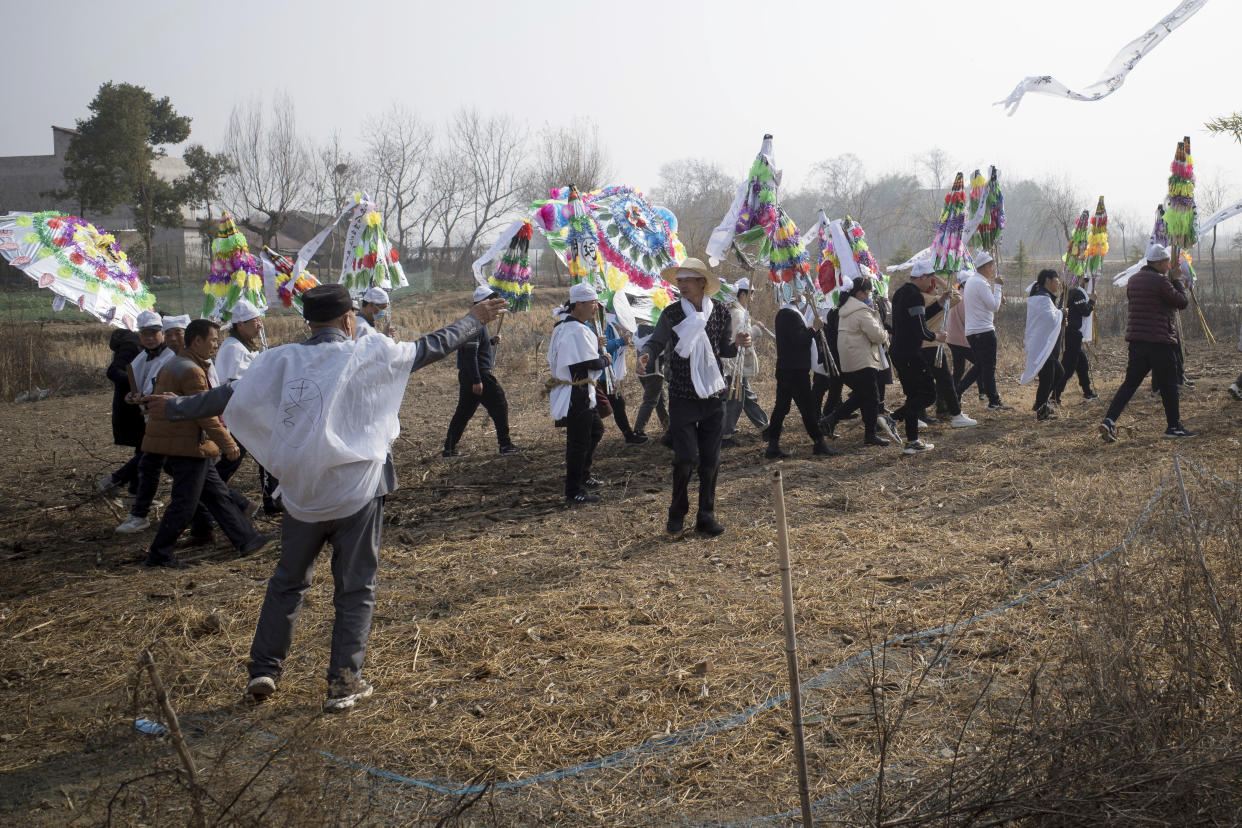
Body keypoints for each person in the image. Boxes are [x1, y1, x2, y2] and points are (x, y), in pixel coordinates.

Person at [144, 283, 506, 711]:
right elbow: (433, 346)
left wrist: (176, 408)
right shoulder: (368, 353)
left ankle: (264, 669)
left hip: (304, 491)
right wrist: (475, 319)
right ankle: (343, 684)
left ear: (308, 322)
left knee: (287, 582)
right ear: (350, 319)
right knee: (355, 589)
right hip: (359, 489)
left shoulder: (280, 360)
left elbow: (229, 394)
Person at [137, 319, 274, 568]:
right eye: (212, 340)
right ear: (197, 341)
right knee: (184, 504)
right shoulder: (190, 369)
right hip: (187, 444)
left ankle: (248, 539)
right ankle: (158, 555)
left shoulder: (181, 363)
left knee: (218, 496)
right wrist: (228, 443)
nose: (215, 345)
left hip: (183, 441)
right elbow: (203, 412)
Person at [639, 258, 746, 537]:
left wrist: (738, 344)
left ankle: (706, 516)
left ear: (702, 283)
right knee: (685, 458)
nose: (682, 285)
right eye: (679, 280)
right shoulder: (672, 314)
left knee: (711, 460)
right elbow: (655, 341)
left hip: (713, 394)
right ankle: (677, 511)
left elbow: (725, 351)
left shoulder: (721, 313)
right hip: (683, 395)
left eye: (687, 280)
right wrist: (646, 354)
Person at [184, 299, 272, 548]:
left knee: (223, 470)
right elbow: (235, 382)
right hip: (237, 415)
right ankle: (217, 507)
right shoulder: (232, 349)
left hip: (246, 414)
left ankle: (221, 508)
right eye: (255, 321)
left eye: (259, 320)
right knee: (222, 468)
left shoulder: (242, 345)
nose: (259, 325)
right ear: (240, 324)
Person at [1099, 244, 1194, 442]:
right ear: (1159, 262)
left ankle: (1109, 420)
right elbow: (1181, 302)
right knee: (1169, 385)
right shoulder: (1160, 282)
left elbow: (1151, 303)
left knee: (1130, 384)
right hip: (1160, 341)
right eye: (1167, 263)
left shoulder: (1133, 281)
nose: (1169, 266)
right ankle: (1174, 427)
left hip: (1137, 341)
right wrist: (1176, 281)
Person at [114, 310, 176, 533]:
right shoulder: (141, 359)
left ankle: (137, 511)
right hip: (154, 420)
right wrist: (132, 397)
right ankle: (237, 505)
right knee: (184, 473)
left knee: (149, 464)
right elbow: (138, 387)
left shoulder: (172, 356)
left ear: (162, 333)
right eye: (145, 334)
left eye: (154, 333)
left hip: (170, 421)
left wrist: (143, 397)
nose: (150, 338)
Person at [547, 283, 609, 504]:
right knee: (578, 443)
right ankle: (574, 491)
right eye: (592, 303)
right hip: (577, 392)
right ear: (579, 304)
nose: (595, 307)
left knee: (595, 430)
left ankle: (584, 475)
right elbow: (588, 362)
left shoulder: (571, 325)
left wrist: (595, 343)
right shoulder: (573, 329)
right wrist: (605, 360)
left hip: (580, 390)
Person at [443, 286, 523, 457]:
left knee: (463, 412)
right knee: (500, 405)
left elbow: (475, 348)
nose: (493, 305)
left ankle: (449, 449)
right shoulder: (474, 325)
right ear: (480, 304)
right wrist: (477, 380)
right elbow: (470, 354)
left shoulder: (475, 323)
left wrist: (492, 341)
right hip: (478, 374)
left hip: (471, 374)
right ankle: (505, 445)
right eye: (490, 301)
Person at [889, 260, 949, 454]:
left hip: (900, 351)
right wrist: (936, 337)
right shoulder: (915, 296)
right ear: (922, 277)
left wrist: (939, 304)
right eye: (930, 279)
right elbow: (921, 329)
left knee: (913, 396)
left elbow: (918, 319)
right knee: (928, 394)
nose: (931, 284)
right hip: (910, 353)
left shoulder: (901, 293)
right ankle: (893, 418)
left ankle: (912, 441)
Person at [765, 299, 835, 460]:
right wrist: (815, 329)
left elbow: (794, 338)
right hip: (795, 370)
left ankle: (773, 445)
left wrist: (810, 329)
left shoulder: (784, 314)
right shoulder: (790, 314)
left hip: (786, 368)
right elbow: (799, 340)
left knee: (782, 407)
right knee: (806, 408)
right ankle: (819, 442)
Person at [824, 277, 891, 447]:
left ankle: (831, 419)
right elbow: (876, 335)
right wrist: (885, 334)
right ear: (860, 293)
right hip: (863, 359)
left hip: (850, 360)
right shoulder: (861, 311)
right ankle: (870, 435)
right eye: (868, 291)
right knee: (872, 397)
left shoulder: (846, 309)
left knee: (863, 395)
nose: (869, 294)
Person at [919, 274, 976, 428]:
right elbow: (957, 297)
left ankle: (923, 414)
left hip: (924, 346)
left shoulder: (920, 298)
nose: (937, 291)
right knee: (945, 380)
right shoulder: (930, 300)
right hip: (931, 345)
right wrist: (942, 281)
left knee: (927, 381)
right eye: (935, 288)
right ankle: (955, 413)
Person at [957, 251, 1010, 410]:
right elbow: (994, 307)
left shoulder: (972, 281)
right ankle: (993, 401)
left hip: (973, 331)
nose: (993, 269)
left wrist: (997, 294)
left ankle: (957, 391)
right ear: (985, 267)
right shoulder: (981, 283)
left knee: (981, 366)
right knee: (988, 367)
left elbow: (988, 303)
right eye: (991, 266)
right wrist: (998, 286)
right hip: (984, 331)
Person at [721, 278, 768, 447]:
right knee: (735, 400)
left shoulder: (738, 311)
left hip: (735, 363)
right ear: (742, 294)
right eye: (751, 295)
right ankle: (724, 435)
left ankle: (764, 425)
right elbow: (740, 339)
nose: (753, 298)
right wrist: (756, 330)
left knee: (745, 397)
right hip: (735, 364)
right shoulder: (739, 314)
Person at [98, 327, 145, 498]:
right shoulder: (132, 346)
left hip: (140, 405)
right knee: (150, 451)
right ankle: (114, 481)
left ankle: (135, 494)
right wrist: (136, 383)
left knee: (146, 449)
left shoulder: (149, 348)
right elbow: (113, 371)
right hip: (132, 407)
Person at [1020, 270, 1068, 421]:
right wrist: (1062, 314)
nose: (1058, 283)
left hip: (1045, 346)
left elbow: (1050, 319)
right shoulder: (1042, 297)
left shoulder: (1044, 296)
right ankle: (1041, 410)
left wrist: (1060, 317)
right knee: (1047, 378)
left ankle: (1041, 404)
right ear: (1048, 280)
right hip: (1041, 346)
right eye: (1056, 280)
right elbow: (1049, 319)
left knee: (1058, 374)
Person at [601, 312, 648, 446]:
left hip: (608, 373)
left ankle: (628, 436)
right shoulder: (594, 325)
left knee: (617, 404)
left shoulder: (607, 324)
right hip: (601, 375)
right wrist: (621, 341)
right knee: (615, 404)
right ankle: (628, 436)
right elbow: (603, 347)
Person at [1052, 278, 1098, 404]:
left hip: (1069, 333)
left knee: (1082, 364)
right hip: (1072, 334)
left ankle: (1087, 392)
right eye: (1085, 281)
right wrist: (1092, 301)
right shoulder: (1076, 293)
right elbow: (1086, 311)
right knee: (1068, 366)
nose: (1085, 284)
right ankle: (1054, 396)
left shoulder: (1067, 292)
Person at [631, 321, 668, 440]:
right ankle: (638, 430)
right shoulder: (655, 325)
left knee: (659, 398)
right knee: (650, 400)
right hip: (653, 370)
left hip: (643, 370)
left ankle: (667, 426)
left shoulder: (640, 325)